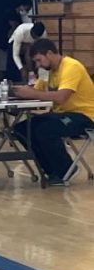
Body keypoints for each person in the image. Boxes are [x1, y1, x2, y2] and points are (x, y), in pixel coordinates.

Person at [12, 38, 94, 182]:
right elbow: (37, 91)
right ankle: (50, 169)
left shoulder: (71, 67)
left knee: (45, 129)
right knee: (22, 129)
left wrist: (32, 93)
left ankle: (66, 169)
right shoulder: (46, 71)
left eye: (39, 60)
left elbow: (61, 97)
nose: (38, 65)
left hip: (84, 116)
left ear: (49, 53)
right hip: (61, 114)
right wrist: (18, 92)